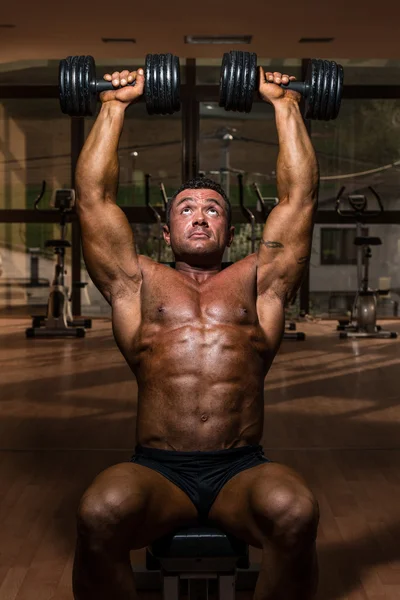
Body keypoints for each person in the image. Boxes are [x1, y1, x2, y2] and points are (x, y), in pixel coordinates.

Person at [72, 63, 320, 600]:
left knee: (296, 510)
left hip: (241, 468)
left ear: (230, 230)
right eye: (187, 208)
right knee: (98, 512)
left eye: (213, 209)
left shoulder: (260, 283)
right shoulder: (136, 281)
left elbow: (297, 200)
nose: (201, 216)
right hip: (158, 470)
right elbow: (93, 200)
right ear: (167, 230)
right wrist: (113, 106)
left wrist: (285, 104)